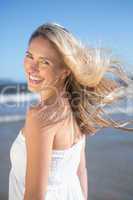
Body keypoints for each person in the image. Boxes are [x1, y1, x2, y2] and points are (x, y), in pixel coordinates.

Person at [8, 22, 133, 200]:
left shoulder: (41, 117)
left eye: (45, 62)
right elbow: (81, 173)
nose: (32, 68)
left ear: (66, 70)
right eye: (30, 56)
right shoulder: (77, 108)